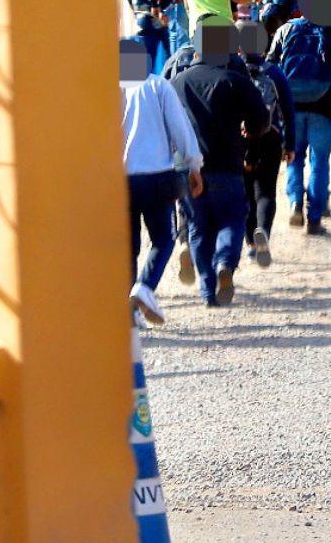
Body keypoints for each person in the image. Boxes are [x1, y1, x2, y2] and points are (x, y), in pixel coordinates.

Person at [171, 22, 269, 306]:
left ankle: (206, 291)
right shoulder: (235, 80)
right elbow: (260, 118)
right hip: (227, 163)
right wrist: (251, 132)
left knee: (198, 227)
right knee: (232, 218)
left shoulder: (179, 82)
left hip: (188, 168)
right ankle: (225, 262)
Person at [120, 39, 203, 325]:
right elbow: (180, 130)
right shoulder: (157, 86)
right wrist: (194, 166)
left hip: (120, 181)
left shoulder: (109, 89)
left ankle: (127, 311)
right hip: (157, 177)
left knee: (126, 246)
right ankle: (144, 286)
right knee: (164, 239)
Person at [267, 0, 331, 235]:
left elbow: (270, 66)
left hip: (291, 108)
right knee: (319, 163)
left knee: (293, 158)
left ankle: (295, 201)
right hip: (325, 110)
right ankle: (315, 218)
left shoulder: (286, 30)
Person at [241, 44, 296, 266]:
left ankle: (251, 246)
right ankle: (262, 230)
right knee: (265, 192)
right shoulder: (274, 73)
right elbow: (288, 112)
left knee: (245, 193)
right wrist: (290, 145)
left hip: (242, 139)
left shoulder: (234, 70)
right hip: (270, 137)